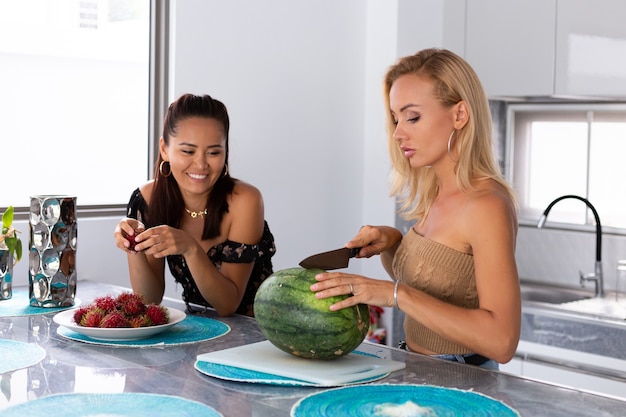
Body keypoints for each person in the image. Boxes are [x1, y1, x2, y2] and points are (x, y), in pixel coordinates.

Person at [310, 48, 520, 369]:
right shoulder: (436, 191)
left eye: (413, 117)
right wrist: (393, 242)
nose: (397, 133)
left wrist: (395, 294)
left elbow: (502, 341)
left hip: (463, 380)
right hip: (422, 368)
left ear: (459, 115)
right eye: (396, 119)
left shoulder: (486, 205)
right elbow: (435, 285)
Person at [114, 93, 276, 317]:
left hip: (256, 333)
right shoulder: (148, 199)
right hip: (198, 331)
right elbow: (149, 299)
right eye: (188, 151)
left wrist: (190, 248)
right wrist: (133, 246)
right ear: (164, 149)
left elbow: (228, 305)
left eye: (214, 152)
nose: (201, 164)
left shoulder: (246, 200)